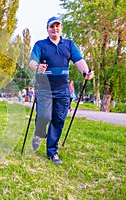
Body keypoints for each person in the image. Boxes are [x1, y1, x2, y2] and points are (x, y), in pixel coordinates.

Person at [29, 16, 94, 164]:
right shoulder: (40, 45)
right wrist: (37, 67)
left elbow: (79, 61)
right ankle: (39, 133)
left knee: (58, 120)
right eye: (52, 26)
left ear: (61, 28)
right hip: (44, 88)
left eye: (57, 26)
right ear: (47, 29)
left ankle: (52, 152)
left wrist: (86, 72)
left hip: (63, 90)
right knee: (44, 117)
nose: (55, 29)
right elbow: (32, 62)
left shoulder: (69, 45)